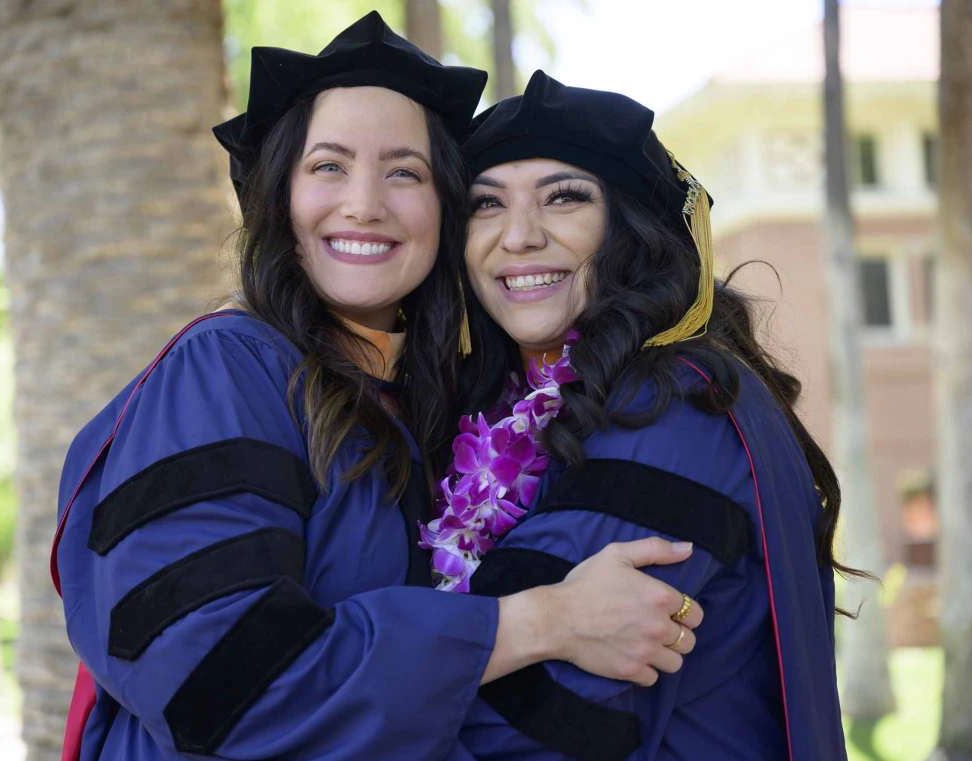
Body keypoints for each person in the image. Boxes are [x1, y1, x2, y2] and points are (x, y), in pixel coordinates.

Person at [52, 18, 704, 761]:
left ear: (444, 211)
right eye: (328, 166)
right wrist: (541, 622)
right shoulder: (225, 369)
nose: (365, 204)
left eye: (405, 172)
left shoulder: (436, 407)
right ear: (281, 198)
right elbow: (216, 681)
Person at [424, 71, 853, 760]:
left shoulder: (676, 408)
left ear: (630, 231)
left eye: (564, 198)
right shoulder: (537, 411)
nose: (519, 236)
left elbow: (527, 724)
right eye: (485, 205)